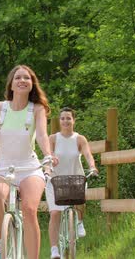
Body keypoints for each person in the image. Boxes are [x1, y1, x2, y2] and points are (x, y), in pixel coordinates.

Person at [0, 65, 53, 259]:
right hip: (2, 165)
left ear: (31, 84)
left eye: (26, 78)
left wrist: (48, 156)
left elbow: (43, 136)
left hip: (29, 166)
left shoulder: (37, 109)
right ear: (11, 84)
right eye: (18, 78)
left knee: (29, 209)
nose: (22, 81)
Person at [46, 107, 98, 259]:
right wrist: (47, 170)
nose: (65, 121)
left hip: (75, 179)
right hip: (55, 181)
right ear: (59, 121)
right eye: (62, 118)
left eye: (68, 118)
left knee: (80, 198)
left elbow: (88, 155)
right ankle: (54, 249)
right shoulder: (53, 139)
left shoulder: (79, 139)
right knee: (55, 213)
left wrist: (92, 167)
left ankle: (79, 221)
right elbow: (48, 157)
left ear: (74, 120)